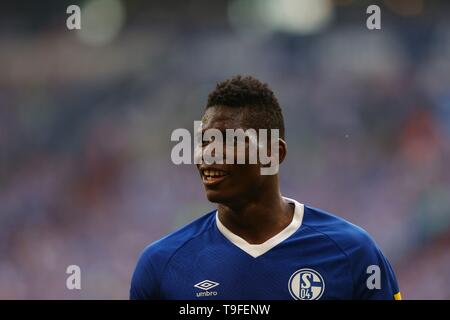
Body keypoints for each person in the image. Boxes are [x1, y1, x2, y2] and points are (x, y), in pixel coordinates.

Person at [130, 75, 401, 300]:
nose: (208, 154)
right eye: (203, 141)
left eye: (228, 140)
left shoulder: (352, 252)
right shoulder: (161, 265)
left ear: (272, 153)